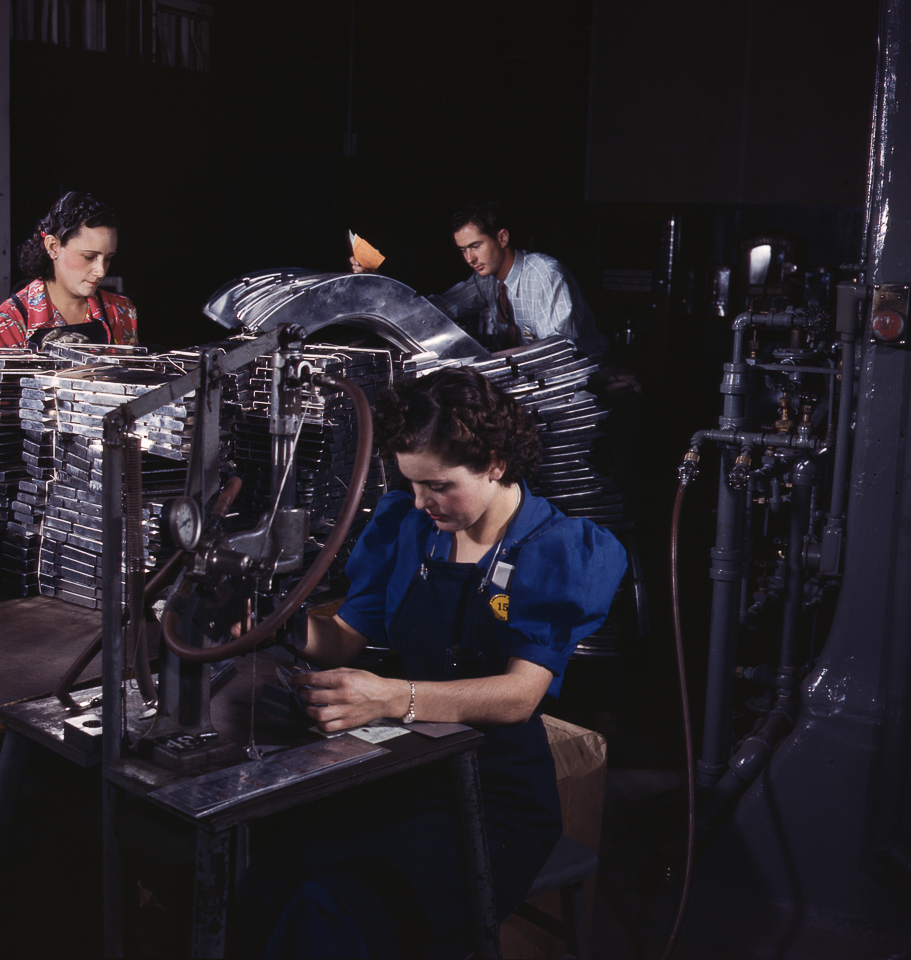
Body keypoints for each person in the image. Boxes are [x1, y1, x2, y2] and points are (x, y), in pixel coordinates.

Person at [237, 368, 626, 958]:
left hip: (495, 795)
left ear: (494, 463)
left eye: (439, 485)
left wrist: (392, 697)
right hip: (405, 773)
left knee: (334, 909)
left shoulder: (556, 548)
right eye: (413, 483)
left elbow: (520, 695)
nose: (422, 501)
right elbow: (341, 639)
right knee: (268, 877)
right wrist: (270, 622)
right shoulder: (408, 526)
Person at [350, 200, 607, 358]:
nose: (470, 258)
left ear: (502, 238)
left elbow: (560, 348)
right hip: (532, 373)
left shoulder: (546, 274)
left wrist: (493, 357)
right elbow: (436, 310)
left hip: (584, 373)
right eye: (463, 250)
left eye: (476, 246)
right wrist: (379, 285)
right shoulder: (484, 280)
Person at [0, 191, 138, 349]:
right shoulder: (5, 323)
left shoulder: (121, 311)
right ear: (53, 247)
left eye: (108, 258)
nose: (101, 271)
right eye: (89, 257)